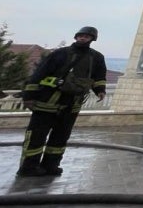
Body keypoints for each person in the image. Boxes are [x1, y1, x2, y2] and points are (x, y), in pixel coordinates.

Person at [16, 26, 107, 177]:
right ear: (76, 37)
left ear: (92, 39)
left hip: (72, 104)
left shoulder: (96, 57)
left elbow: (99, 76)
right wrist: (29, 96)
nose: (83, 38)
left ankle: (51, 165)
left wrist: (100, 90)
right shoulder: (60, 54)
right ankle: (28, 167)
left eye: (86, 36)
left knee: (61, 136)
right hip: (48, 100)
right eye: (80, 36)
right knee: (37, 135)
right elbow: (39, 74)